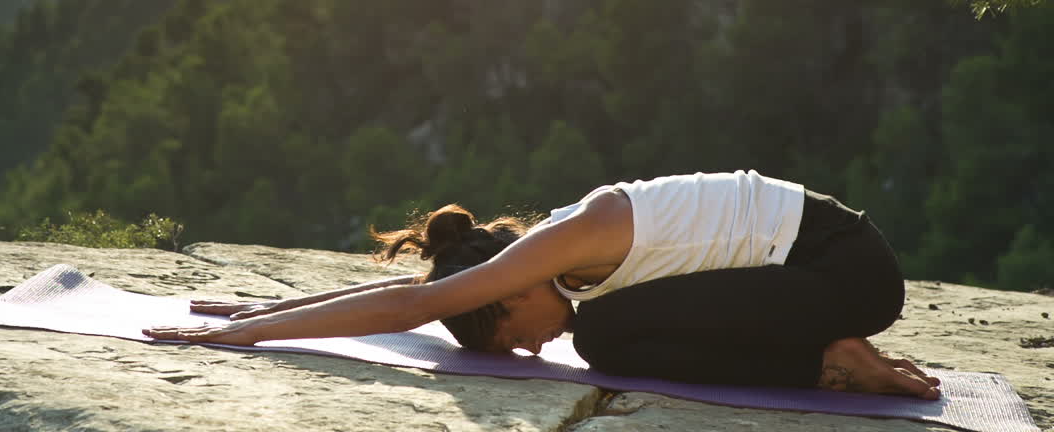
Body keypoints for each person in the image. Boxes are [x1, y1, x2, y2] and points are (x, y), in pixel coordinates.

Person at [145, 170, 941, 399]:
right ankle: (823, 356)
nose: (530, 346)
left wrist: (242, 336)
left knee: (606, 339)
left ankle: (829, 360)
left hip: (844, 271)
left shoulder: (574, 237)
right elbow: (418, 315)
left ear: (507, 286)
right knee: (614, 338)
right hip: (811, 277)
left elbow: (416, 304)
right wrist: (272, 306)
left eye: (510, 333)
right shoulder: (559, 264)